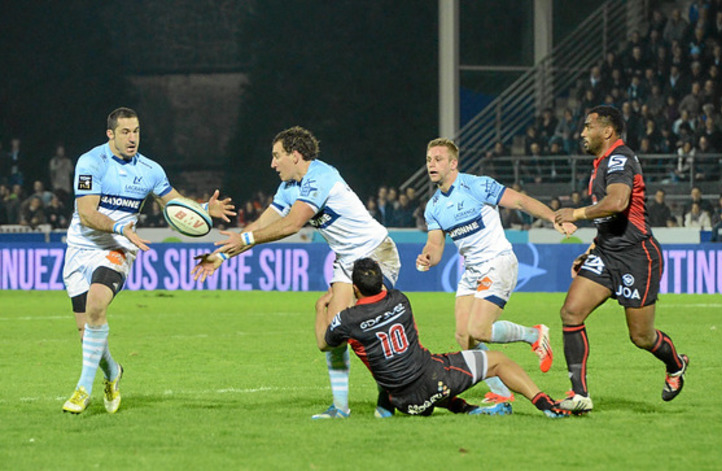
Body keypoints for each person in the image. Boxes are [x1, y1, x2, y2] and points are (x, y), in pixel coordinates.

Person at [191, 126, 402, 419]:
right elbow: (261, 226)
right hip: (346, 261)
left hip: (376, 253)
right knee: (333, 336)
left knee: (369, 328)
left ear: (295, 155)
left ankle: (387, 399)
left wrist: (246, 239)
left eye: (277, 156)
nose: (272, 164)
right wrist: (220, 257)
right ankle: (340, 408)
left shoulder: (321, 176)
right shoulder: (288, 189)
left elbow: (292, 224)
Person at [61, 107, 235, 415]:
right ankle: (113, 372)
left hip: (117, 248)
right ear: (110, 134)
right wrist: (119, 226)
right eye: (125, 132)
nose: (133, 138)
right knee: (86, 332)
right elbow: (87, 214)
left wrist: (204, 209)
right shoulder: (91, 162)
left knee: (96, 305)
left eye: (137, 131)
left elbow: (175, 203)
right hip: (80, 249)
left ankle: (82, 389)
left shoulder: (151, 170)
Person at [415, 138, 576, 412]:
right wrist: (427, 256)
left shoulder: (477, 185)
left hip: (497, 261)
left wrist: (553, 218)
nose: (432, 164)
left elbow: (521, 201)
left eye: (438, 159)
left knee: (479, 330)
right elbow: (436, 246)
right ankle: (502, 393)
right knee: (464, 336)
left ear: (453, 164)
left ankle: (533, 334)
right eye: (429, 159)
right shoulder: (433, 206)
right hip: (472, 270)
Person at [554, 105, 689, 414]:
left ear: (607, 131)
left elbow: (617, 202)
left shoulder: (619, 159)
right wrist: (592, 248)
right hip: (606, 252)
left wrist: (575, 213)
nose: (582, 133)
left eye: (588, 127)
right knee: (571, 313)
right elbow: (611, 218)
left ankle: (676, 365)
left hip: (636, 256)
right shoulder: (601, 163)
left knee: (641, 337)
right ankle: (579, 395)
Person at [315, 258, 569, 418]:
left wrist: (320, 309)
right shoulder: (400, 300)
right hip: (432, 380)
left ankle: (469, 410)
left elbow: (323, 344)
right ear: (381, 282)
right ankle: (545, 404)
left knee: (406, 372)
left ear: (355, 288)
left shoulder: (347, 321)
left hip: (404, 402)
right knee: (498, 361)